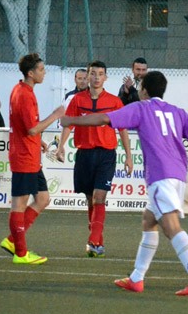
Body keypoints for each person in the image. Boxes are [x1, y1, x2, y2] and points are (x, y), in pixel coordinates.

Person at [61, 71, 188, 295]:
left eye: (140, 86)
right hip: (177, 174)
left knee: (171, 227)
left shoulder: (141, 108)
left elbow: (104, 118)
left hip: (161, 175)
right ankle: (137, 278)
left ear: (144, 90)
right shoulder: (176, 112)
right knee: (149, 220)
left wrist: (72, 120)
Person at [56, 60, 134, 257]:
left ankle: (93, 239)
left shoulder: (115, 102)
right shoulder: (76, 100)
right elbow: (68, 125)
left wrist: (129, 157)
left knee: (100, 196)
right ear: (87, 76)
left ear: (105, 77)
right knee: (90, 199)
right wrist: (61, 146)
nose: (96, 77)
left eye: (100, 74)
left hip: (106, 155)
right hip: (84, 155)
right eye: (93, 73)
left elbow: (123, 129)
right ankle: (98, 242)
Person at [0, 54, 65, 264]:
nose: (44, 72)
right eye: (41, 69)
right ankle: (21, 254)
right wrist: (56, 115)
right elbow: (31, 129)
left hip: (30, 153)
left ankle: (13, 240)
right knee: (19, 204)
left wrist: (40, 142)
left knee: (43, 199)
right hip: (24, 156)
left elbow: (27, 128)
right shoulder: (25, 95)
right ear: (31, 73)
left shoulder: (21, 90)